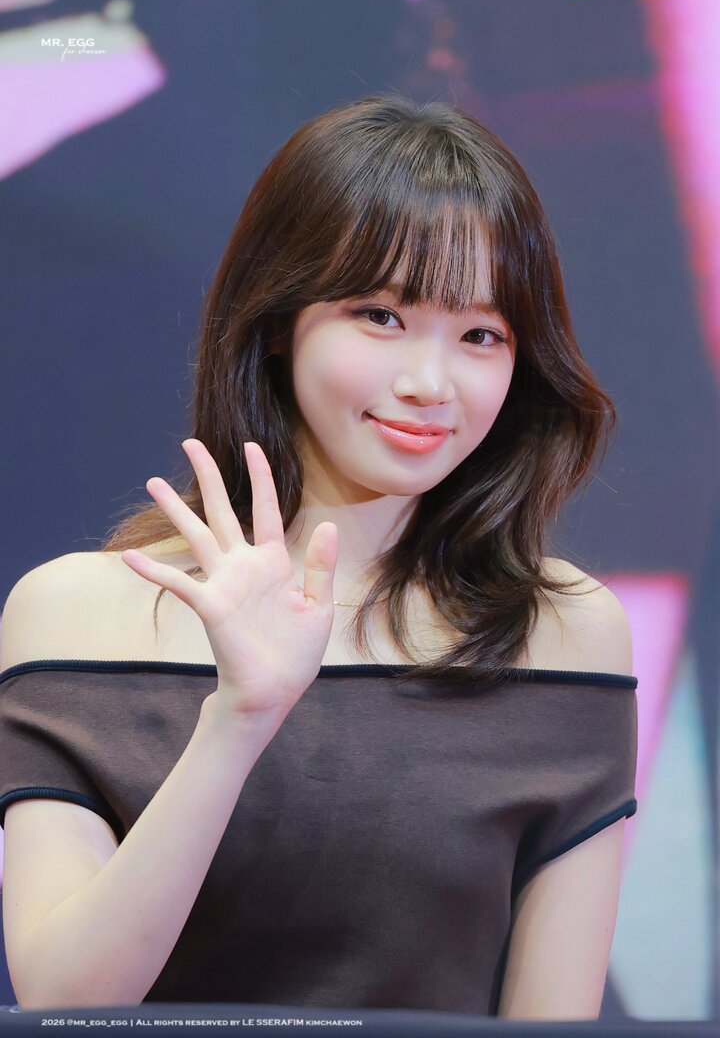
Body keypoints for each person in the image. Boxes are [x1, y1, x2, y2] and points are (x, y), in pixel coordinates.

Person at [0, 93, 638, 1019]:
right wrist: (239, 720)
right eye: (380, 315)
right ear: (278, 320)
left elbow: (551, 1024)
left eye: (481, 335)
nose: (429, 383)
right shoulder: (77, 613)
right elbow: (66, 1000)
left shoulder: (565, 632)